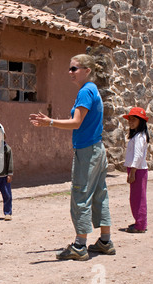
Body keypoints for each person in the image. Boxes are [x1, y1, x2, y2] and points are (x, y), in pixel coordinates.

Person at [29, 54, 115, 261]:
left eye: (74, 68)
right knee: (99, 193)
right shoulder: (92, 89)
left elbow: (76, 122)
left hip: (87, 151)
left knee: (81, 195)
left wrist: (49, 122)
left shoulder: (85, 92)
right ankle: (105, 241)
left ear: (86, 70)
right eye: (70, 68)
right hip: (97, 149)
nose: (70, 72)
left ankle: (79, 246)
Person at [123, 107, 150, 233]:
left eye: (134, 119)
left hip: (137, 170)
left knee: (138, 198)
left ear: (141, 121)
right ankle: (139, 222)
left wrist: (133, 172)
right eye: (130, 119)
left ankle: (140, 225)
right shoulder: (137, 136)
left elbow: (138, 155)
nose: (131, 122)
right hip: (136, 169)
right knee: (135, 197)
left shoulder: (140, 137)